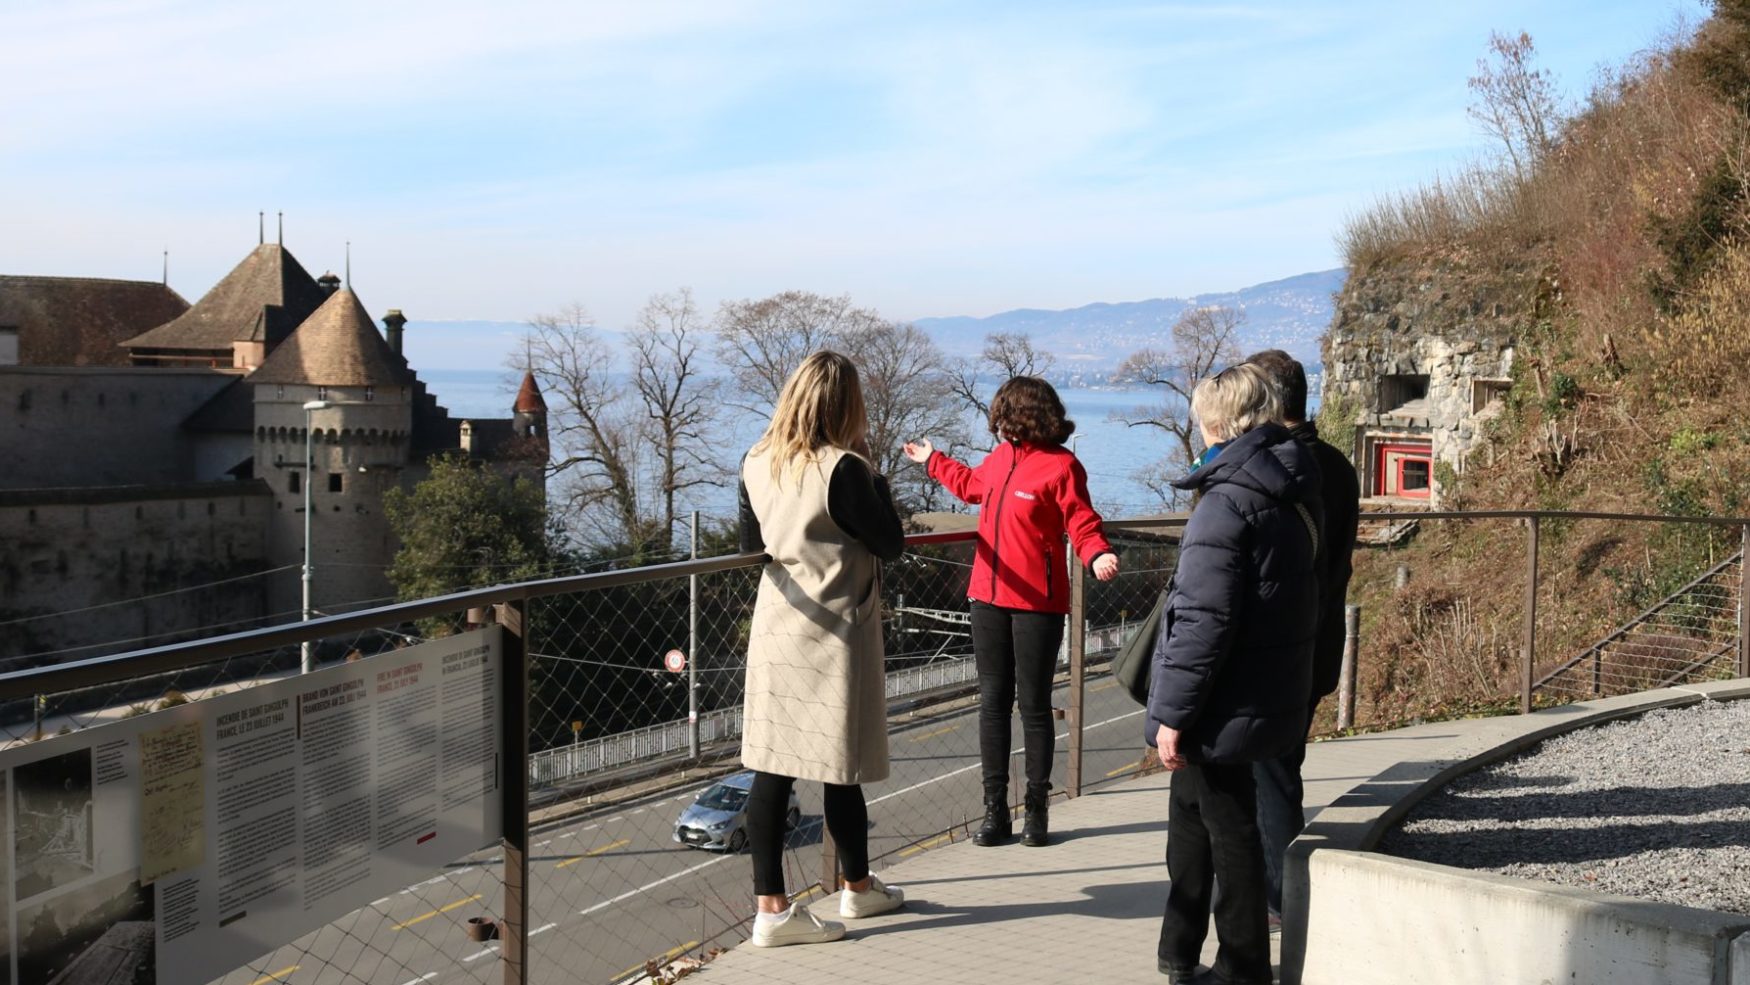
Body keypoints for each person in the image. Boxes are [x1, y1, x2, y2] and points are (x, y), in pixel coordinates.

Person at [1148, 363, 1322, 985]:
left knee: (1229, 829)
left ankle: (1244, 967)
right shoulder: (1292, 483)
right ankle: (1178, 949)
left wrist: (1170, 714)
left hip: (1224, 696)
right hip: (1266, 681)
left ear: (1215, 423)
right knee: (1192, 816)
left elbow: (1201, 621)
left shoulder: (1226, 502)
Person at [737, 350, 908, 947]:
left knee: (773, 766)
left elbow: (749, 543)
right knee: (841, 766)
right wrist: (877, 475)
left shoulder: (757, 461)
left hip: (780, 621)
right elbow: (890, 543)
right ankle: (856, 890)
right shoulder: (845, 468)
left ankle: (772, 909)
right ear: (846, 405)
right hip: (837, 629)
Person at [904, 376, 1119, 848]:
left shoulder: (1062, 467)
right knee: (992, 704)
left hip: (1037, 604)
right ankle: (994, 812)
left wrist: (1097, 553)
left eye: (1003, 415)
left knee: (1035, 707)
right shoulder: (1001, 459)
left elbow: (1081, 520)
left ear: (1022, 416)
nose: (997, 424)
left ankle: (1037, 812)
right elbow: (970, 487)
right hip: (987, 597)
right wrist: (932, 461)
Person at [1243, 349, 1362, 924]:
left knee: (1270, 774)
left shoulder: (1277, 470)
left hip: (1276, 645)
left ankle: (1278, 900)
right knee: (1284, 766)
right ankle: (1277, 893)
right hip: (1323, 633)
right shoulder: (1338, 464)